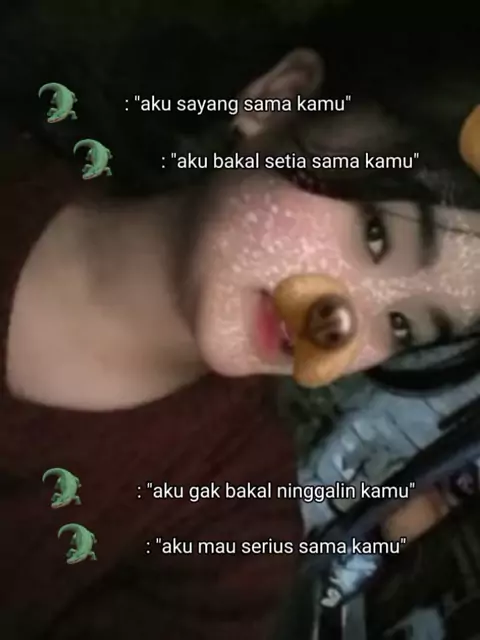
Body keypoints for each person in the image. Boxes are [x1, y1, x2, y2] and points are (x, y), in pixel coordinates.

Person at [1, 2, 480, 638]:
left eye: (401, 326)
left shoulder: (230, 536)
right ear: (281, 100)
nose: (340, 326)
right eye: (375, 234)